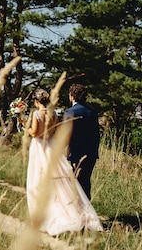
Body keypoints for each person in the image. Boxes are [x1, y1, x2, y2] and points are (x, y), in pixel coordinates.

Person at [24, 88, 103, 235]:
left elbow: (37, 133)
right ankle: (83, 217)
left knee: (46, 183)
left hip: (50, 150)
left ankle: (69, 217)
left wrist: (24, 126)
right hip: (87, 153)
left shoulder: (42, 114)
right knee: (79, 185)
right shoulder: (90, 112)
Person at [63, 83, 100, 201]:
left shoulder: (70, 112)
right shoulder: (92, 112)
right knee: (86, 183)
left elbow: (65, 135)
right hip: (91, 153)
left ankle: (79, 213)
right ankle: (87, 212)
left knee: (76, 184)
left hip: (76, 154)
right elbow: (96, 133)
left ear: (72, 96)